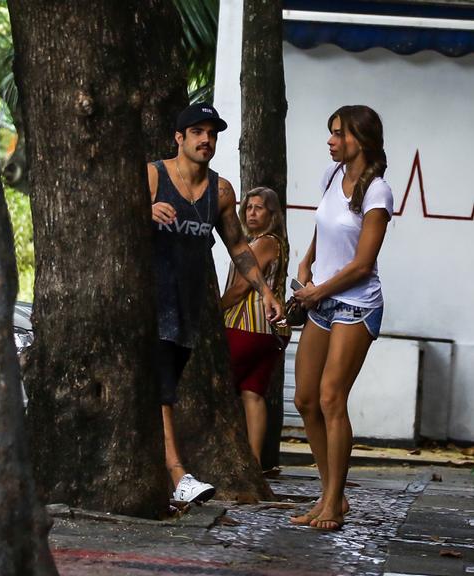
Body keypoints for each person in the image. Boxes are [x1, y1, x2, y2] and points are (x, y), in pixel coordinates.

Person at [148, 103, 283, 504]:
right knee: (163, 389)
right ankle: (178, 475)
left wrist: (266, 292)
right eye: (197, 132)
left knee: (166, 386)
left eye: (212, 133)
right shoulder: (154, 176)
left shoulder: (221, 192)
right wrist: (144, 210)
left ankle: (170, 473)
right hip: (152, 303)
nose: (206, 140)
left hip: (189, 306)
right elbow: (111, 220)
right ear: (179, 137)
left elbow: (239, 246)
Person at [290, 105, 393, 530]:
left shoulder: (377, 192)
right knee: (305, 400)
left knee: (332, 397)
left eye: (338, 134)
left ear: (360, 140)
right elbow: (324, 224)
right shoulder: (332, 177)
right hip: (323, 300)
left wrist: (318, 290)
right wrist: (306, 265)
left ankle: (333, 503)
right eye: (330, 133)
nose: (330, 141)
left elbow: (363, 263)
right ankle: (332, 493)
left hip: (356, 303)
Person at [220, 187, 290, 467]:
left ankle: (230, 461)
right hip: (271, 334)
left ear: (272, 214)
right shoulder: (279, 244)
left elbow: (240, 288)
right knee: (253, 394)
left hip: (245, 326)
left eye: (258, 208)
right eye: (248, 207)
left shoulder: (262, 243)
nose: (251, 213)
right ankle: (254, 462)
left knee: (223, 389)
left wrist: (215, 309)